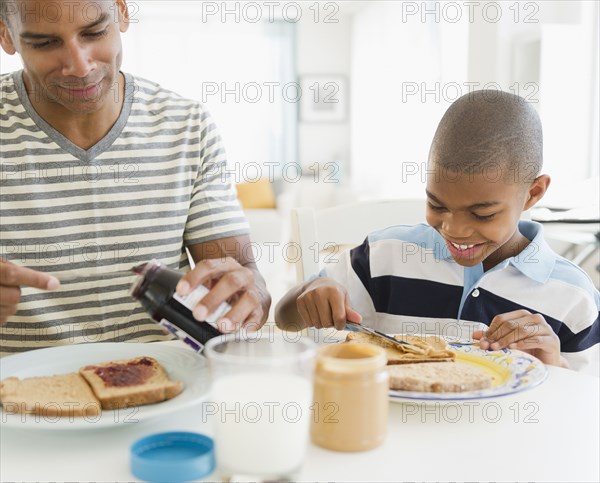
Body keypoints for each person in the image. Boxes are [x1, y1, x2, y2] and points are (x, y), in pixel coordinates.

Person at [0, 0, 271, 356]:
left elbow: (245, 278)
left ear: (122, 12)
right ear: (6, 35)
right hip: (19, 399)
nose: (80, 66)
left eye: (95, 32)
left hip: (167, 387)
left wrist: (248, 297)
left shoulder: (187, 126)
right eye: (45, 43)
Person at [276, 89, 599, 375]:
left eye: (482, 213)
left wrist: (555, 366)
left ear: (533, 193)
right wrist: (312, 290)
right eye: (437, 204)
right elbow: (286, 319)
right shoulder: (383, 255)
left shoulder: (573, 296)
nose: (454, 229)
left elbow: (584, 409)